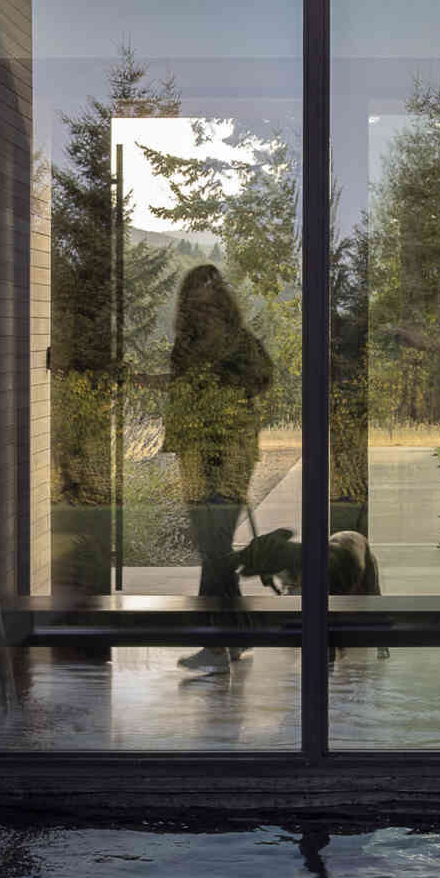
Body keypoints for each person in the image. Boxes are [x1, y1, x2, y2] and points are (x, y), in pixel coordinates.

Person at [162, 264, 273, 676]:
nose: (203, 314)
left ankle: (214, 645)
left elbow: (263, 378)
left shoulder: (239, 344)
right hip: (194, 455)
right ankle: (237, 637)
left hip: (229, 456)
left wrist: (221, 380)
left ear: (224, 307)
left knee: (214, 548)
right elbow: (180, 396)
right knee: (215, 550)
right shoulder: (185, 346)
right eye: (197, 307)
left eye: (211, 307)